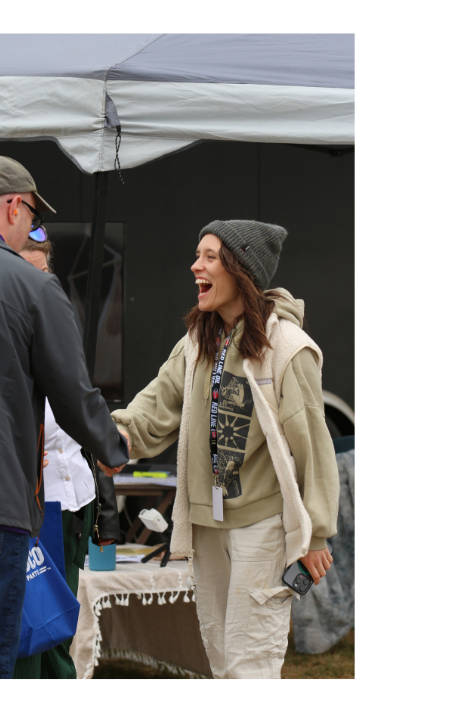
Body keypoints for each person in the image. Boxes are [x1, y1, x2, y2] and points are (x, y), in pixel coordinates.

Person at [106, 220, 339, 679]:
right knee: (218, 655)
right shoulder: (197, 342)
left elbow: (314, 445)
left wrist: (315, 535)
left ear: (241, 269)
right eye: (197, 256)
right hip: (206, 526)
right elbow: (156, 405)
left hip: (262, 526)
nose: (195, 266)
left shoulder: (288, 348)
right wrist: (108, 436)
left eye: (209, 257)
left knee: (250, 662)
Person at [0, 155, 131, 679]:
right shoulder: (32, 286)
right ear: (13, 206)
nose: (30, 230)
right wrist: (114, 450)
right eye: (32, 217)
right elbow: (75, 397)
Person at [11, 236, 121, 679]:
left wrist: (107, 514)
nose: (37, 285)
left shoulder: (59, 325)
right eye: (25, 273)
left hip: (74, 503)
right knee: (27, 634)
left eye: (44, 274)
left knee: (59, 626)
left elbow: (85, 420)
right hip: (27, 504)